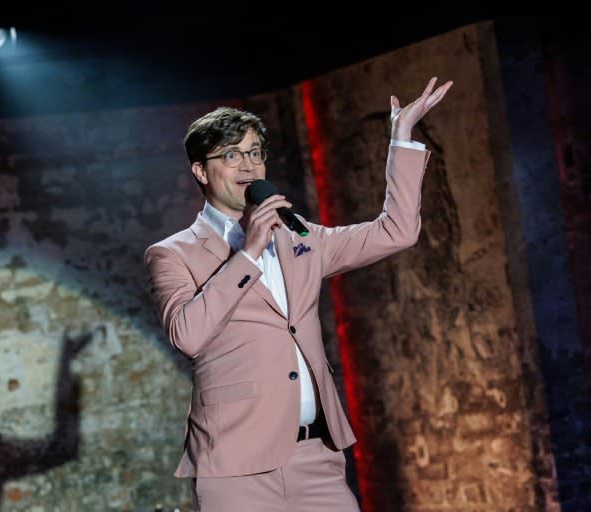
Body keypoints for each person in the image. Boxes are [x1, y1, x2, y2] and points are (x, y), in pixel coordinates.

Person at [144, 77, 453, 511]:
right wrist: (248, 250)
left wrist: (401, 139)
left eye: (255, 153)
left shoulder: (299, 235)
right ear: (200, 170)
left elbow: (396, 231)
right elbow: (187, 334)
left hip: (316, 458)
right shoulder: (172, 253)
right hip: (236, 467)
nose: (248, 166)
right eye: (231, 155)